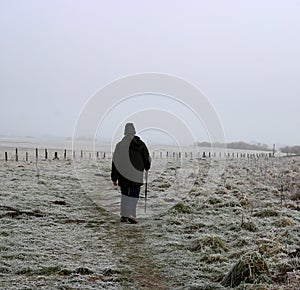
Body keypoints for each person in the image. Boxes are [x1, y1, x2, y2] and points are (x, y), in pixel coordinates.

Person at [111, 123, 151, 224]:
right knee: (134, 195)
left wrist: (114, 178)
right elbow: (146, 158)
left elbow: (116, 162)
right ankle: (131, 214)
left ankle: (124, 216)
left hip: (123, 175)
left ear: (125, 132)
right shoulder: (141, 144)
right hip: (137, 175)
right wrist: (147, 166)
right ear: (134, 131)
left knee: (125, 195)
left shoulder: (120, 145)